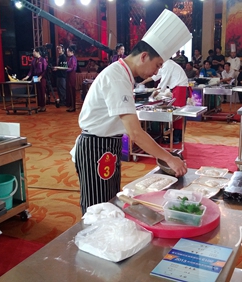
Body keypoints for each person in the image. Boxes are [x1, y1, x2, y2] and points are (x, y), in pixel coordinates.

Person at [72, 9, 189, 213]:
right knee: (97, 210)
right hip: (95, 147)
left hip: (107, 145)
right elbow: (135, 132)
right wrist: (169, 158)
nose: (157, 71)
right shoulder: (116, 77)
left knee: (109, 203)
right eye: (157, 65)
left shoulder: (124, 75)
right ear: (144, 56)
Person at [141, 59, 190, 143]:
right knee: (176, 112)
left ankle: (176, 137)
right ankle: (176, 136)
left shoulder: (167, 65)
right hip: (177, 87)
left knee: (177, 113)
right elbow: (156, 76)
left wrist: (153, 94)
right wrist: (143, 82)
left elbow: (163, 84)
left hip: (180, 87)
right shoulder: (163, 65)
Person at [22, 47, 48, 112]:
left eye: (34, 52)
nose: (33, 53)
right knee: (38, 92)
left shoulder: (43, 60)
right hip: (35, 77)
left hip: (42, 78)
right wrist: (27, 77)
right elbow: (31, 70)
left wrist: (40, 77)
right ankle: (40, 106)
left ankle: (43, 106)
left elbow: (45, 70)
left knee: (42, 91)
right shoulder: (33, 60)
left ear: (38, 52)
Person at [65, 46, 78, 112]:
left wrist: (64, 69)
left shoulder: (73, 58)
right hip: (69, 75)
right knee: (69, 90)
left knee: (72, 90)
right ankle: (71, 105)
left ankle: (73, 107)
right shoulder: (69, 58)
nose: (67, 52)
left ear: (71, 52)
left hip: (71, 75)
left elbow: (72, 68)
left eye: (68, 51)